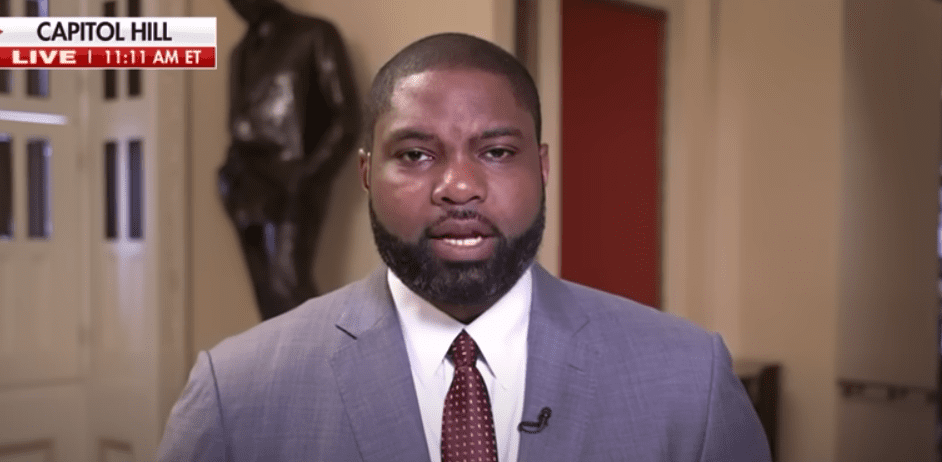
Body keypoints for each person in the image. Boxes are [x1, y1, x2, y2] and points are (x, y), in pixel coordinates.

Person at [159, 32, 772, 461]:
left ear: (542, 167)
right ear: (367, 172)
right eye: (415, 154)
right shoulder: (234, 394)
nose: (458, 186)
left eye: (497, 152)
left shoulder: (692, 382)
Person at [218, 0, 360, 321]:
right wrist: (228, 179)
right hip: (245, 188)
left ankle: (326, 354)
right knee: (267, 299)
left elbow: (346, 120)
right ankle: (284, 357)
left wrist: (308, 179)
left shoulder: (314, 35)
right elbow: (238, 125)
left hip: (293, 186)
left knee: (290, 290)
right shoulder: (240, 53)